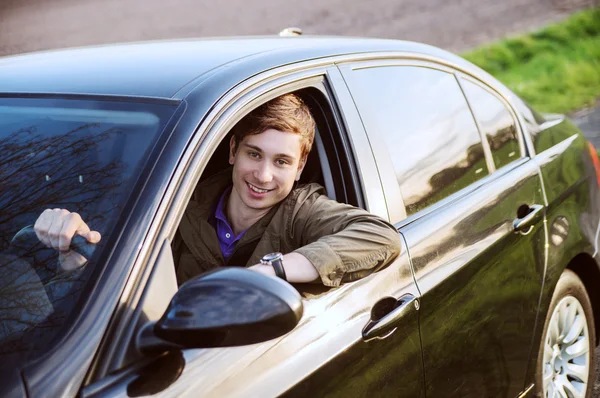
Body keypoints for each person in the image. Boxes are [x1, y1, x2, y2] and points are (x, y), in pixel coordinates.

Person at [33, 93, 401, 287]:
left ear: (300, 166)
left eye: (282, 162)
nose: (263, 175)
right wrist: (72, 252)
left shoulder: (302, 211)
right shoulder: (176, 202)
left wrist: (273, 272)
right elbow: (123, 282)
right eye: (254, 154)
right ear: (232, 151)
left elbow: (381, 236)